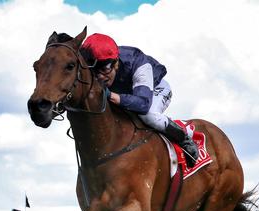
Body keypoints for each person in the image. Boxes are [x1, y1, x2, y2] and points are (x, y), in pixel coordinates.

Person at [80, 33, 198, 167]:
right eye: (94, 71)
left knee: (149, 117)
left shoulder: (138, 63)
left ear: (116, 63)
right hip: (126, 94)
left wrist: (110, 95)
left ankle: (184, 138)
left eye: (105, 69)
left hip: (153, 91)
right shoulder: (92, 62)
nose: (100, 77)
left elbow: (143, 104)